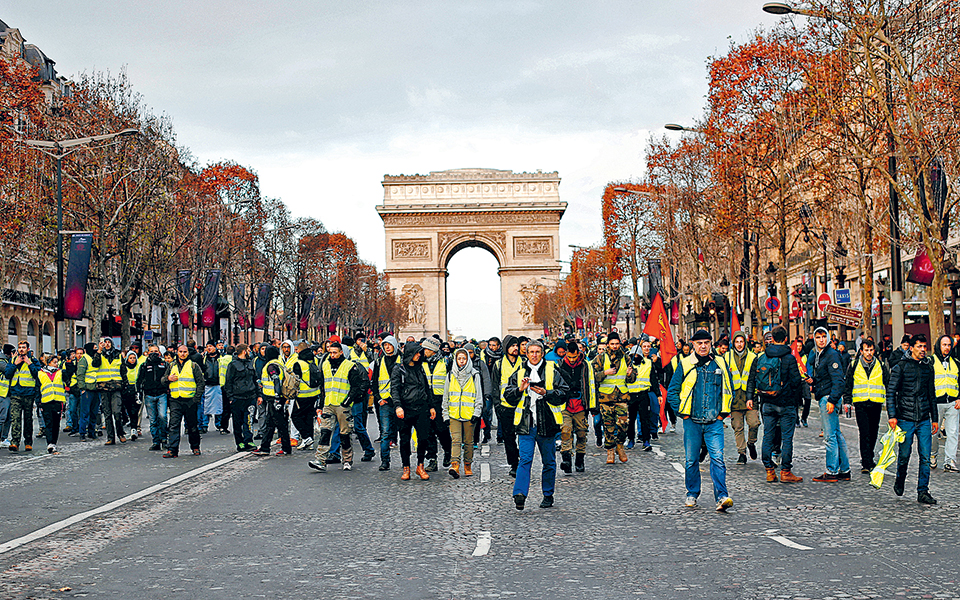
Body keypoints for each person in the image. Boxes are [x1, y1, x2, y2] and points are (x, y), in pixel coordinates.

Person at [667, 329, 734, 511]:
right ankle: (692, 493)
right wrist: (683, 413)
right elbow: (672, 391)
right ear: (693, 345)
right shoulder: (685, 364)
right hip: (692, 421)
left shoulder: (720, 363)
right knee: (691, 460)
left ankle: (722, 496)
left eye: (706, 342)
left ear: (711, 344)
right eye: (699, 343)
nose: (703, 346)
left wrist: (723, 414)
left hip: (714, 421)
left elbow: (729, 389)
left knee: (718, 459)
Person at [503, 340, 569, 510]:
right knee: (525, 459)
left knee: (549, 462)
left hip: (547, 423)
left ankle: (548, 494)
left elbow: (564, 393)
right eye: (531, 352)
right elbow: (507, 395)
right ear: (526, 353)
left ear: (542, 353)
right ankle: (519, 495)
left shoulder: (552, 370)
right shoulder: (518, 373)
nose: (534, 355)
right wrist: (519, 389)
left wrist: (546, 393)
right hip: (526, 424)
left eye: (537, 352)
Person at [887, 334, 939, 504]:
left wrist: (935, 418)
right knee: (904, 455)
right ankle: (900, 479)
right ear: (911, 347)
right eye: (919, 346)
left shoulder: (928, 368)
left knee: (925, 457)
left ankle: (923, 491)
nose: (923, 350)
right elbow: (891, 392)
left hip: (924, 418)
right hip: (905, 418)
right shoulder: (900, 366)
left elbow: (932, 394)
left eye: (925, 346)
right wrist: (892, 416)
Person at [749, 326, 803, 484]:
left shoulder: (762, 356)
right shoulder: (789, 358)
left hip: (768, 402)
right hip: (786, 403)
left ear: (772, 339)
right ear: (785, 339)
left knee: (768, 436)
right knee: (787, 439)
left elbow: (753, 378)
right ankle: (786, 471)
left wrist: (752, 397)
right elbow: (795, 382)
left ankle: (769, 471)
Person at [308, 341, 367, 471]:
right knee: (325, 432)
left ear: (341, 352)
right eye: (330, 352)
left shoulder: (350, 366)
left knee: (344, 434)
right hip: (328, 404)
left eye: (335, 352)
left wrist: (347, 401)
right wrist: (321, 404)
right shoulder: (325, 365)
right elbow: (323, 386)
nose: (332, 355)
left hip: (343, 405)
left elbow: (356, 387)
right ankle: (320, 460)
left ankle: (347, 460)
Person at [809, 326, 851, 482]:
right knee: (836, 434)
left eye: (823, 337)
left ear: (828, 338)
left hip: (828, 398)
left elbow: (839, 380)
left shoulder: (831, 355)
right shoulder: (820, 354)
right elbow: (825, 377)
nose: (821, 340)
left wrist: (832, 400)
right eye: (818, 337)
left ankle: (831, 471)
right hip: (826, 395)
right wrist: (813, 381)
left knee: (829, 436)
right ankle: (844, 469)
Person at [390, 341, 435, 481]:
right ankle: (406, 467)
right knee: (404, 440)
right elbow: (394, 389)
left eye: (419, 353)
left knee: (423, 438)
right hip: (404, 408)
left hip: (421, 408)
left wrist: (431, 406)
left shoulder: (420, 368)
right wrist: (397, 406)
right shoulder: (398, 369)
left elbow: (427, 388)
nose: (418, 355)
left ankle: (420, 465)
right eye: (416, 353)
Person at [843, 338, 889, 473]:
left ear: (874, 351)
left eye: (871, 350)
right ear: (861, 351)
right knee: (864, 432)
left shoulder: (880, 365)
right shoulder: (854, 364)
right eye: (866, 350)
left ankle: (870, 457)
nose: (869, 353)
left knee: (874, 432)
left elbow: (888, 382)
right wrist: (847, 401)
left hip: (876, 402)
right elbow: (848, 384)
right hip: (860, 403)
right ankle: (866, 462)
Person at [592, 331, 635, 465]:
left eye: (617, 343)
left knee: (624, 424)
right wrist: (605, 373)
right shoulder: (600, 358)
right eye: (612, 344)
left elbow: (632, 379)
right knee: (608, 426)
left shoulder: (626, 358)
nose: (615, 346)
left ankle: (620, 446)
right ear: (608, 344)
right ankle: (610, 450)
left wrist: (630, 374)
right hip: (606, 398)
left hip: (622, 396)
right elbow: (592, 377)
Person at [443, 348, 483, 478]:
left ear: (468, 360)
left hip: (469, 413)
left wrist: (477, 412)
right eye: (459, 358)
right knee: (455, 440)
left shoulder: (475, 375)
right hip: (454, 413)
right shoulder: (450, 375)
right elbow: (446, 395)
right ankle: (455, 465)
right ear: (455, 359)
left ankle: (467, 465)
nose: (461, 361)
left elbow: (478, 394)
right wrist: (445, 414)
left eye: (464, 358)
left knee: (469, 441)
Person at [557, 340, 596, 473]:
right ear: (566, 354)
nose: (572, 360)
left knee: (581, 433)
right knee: (566, 431)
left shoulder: (586, 365)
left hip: (581, 404)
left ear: (578, 354)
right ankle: (566, 460)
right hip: (565, 405)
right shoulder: (560, 364)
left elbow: (591, 384)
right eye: (570, 357)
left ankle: (580, 459)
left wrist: (592, 405)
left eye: (574, 357)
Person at [162, 345, 205, 458]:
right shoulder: (172, 365)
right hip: (176, 400)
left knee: (192, 426)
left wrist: (196, 398)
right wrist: (168, 379)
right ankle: (172, 449)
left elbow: (201, 383)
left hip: (190, 400)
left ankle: (195, 447)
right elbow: (162, 380)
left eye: (184, 352)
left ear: (188, 353)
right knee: (174, 425)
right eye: (180, 352)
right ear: (177, 352)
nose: (182, 354)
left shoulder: (193, 365)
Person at [725, 331, 759, 465]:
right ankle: (742, 453)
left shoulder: (752, 357)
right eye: (737, 342)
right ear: (733, 343)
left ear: (745, 342)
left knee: (754, 423)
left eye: (741, 341)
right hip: (734, 399)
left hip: (750, 397)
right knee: (737, 427)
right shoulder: (727, 357)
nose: (739, 344)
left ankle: (751, 443)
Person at [253, 345, 293, 456]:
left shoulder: (271, 366)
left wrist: (276, 397)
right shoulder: (279, 363)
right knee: (270, 424)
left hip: (274, 398)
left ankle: (286, 448)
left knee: (280, 424)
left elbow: (275, 380)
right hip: (275, 398)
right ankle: (265, 447)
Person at [492, 335, 523, 476]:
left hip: (522, 406)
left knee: (523, 436)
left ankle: (523, 461)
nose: (516, 348)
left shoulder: (524, 362)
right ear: (506, 348)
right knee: (509, 438)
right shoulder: (498, 364)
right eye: (512, 346)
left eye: (517, 345)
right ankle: (514, 463)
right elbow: (494, 387)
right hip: (505, 407)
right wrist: (498, 406)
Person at [421, 337, 451, 471]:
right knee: (428, 431)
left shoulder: (446, 362)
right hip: (426, 400)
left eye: (426, 349)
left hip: (441, 400)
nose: (424, 351)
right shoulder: (421, 362)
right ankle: (432, 459)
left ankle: (448, 451)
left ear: (433, 350)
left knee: (442, 429)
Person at [4, 341, 40, 452]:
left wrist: (29, 364)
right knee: (15, 419)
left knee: (28, 419)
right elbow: (7, 374)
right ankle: (15, 442)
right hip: (15, 393)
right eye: (19, 347)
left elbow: (37, 374)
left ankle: (28, 442)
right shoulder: (13, 360)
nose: (21, 349)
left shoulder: (33, 360)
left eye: (23, 347)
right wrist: (15, 364)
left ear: (28, 349)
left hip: (28, 393)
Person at [371, 335, 400, 471]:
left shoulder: (403, 360)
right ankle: (385, 461)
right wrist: (378, 398)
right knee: (385, 433)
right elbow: (375, 382)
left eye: (390, 344)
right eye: (385, 345)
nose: (387, 347)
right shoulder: (379, 361)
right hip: (385, 402)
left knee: (404, 432)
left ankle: (406, 463)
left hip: (401, 402)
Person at [931, 335, 959, 472]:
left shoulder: (956, 362)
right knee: (934, 433)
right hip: (936, 403)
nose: (947, 347)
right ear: (939, 345)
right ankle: (932, 456)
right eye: (944, 345)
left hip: (953, 403)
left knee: (953, 432)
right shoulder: (931, 361)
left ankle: (950, 461)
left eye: (949, 345)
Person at [223, 343, 259, 452]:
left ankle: (248, 440)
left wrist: (258, 394)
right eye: (248, 350)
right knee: (237, 421)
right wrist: (230, 397)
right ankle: (240, 442)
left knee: (248, 420)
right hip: (237, 397)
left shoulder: (250, 363)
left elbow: (255, 380)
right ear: (244, 351)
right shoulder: (233, 365)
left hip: (250, 396)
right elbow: (228, 382)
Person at [93, 337, 127, 445]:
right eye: (105, 343)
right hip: (104, 387)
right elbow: (95, 364)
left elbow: (123, 371)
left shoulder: (118, 355)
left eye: (109, 342)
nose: (107, 344)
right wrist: (99, 350)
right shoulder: (99, 354)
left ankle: (120, 433)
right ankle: (110, 437)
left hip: (116, 386)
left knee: (117, 412)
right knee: (107, 414)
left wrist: (124, 385)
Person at [139, 344, 169, 451]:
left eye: (156, 351)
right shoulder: (144, 365)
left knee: (163, 416)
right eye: (151, 351)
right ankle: (156, 441)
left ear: (159, 353)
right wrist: (139, 392)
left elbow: (168, 379)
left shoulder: (164, 364)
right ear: (147, 352)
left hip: (162, 394)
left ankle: (164, 438)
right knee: (153, 420)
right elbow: (139, 380)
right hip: (149, 395)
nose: (154, 353)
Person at [199, 342, 223, 434]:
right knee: (206, 406)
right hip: (207, 384)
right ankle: (205, 424)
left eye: (211, 346)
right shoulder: (204, 358)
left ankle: (219, 424)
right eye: (207, 346)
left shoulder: (220, 357)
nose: (209, 348)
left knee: (218, 406)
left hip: (218, 384)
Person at [121, 350, 142, 441]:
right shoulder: (124, 367)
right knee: (128, 410)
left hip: (136, 390)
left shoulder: (139, 367)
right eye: (130, 358)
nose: (132, 360)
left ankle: (134, 429)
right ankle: (128, 426)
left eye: (134, 358)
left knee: (135, 410)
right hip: (126, 390)